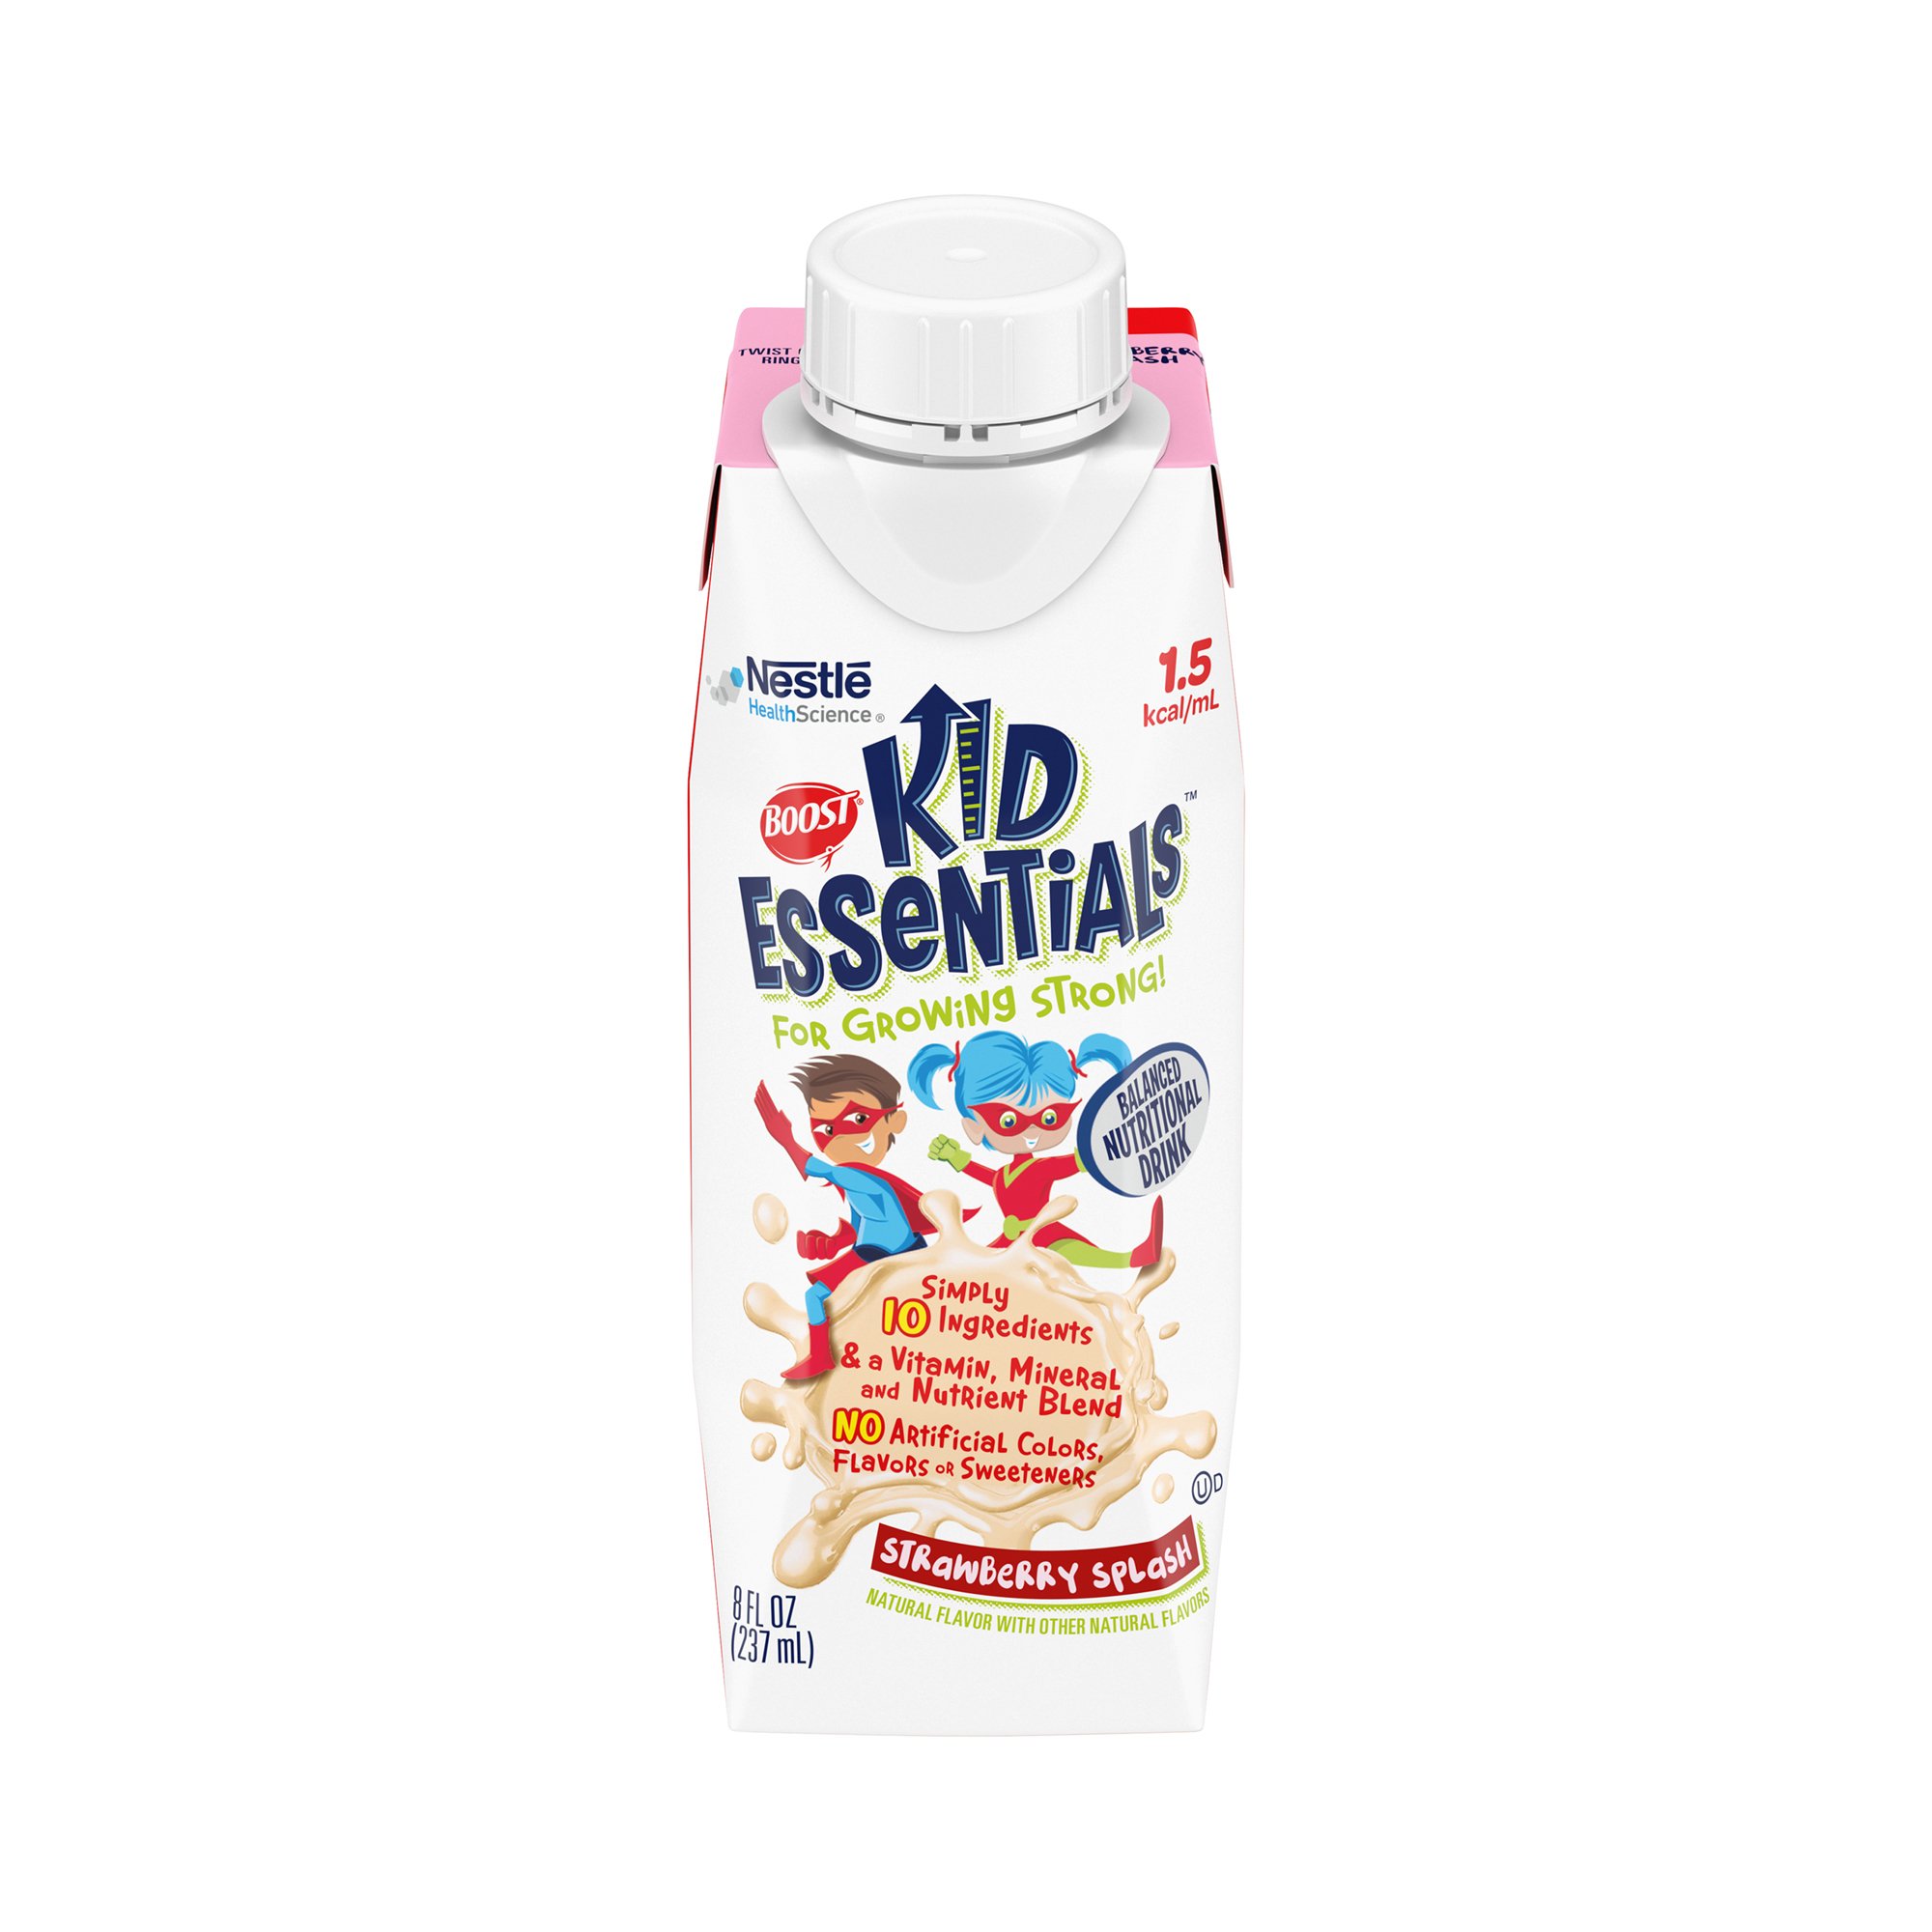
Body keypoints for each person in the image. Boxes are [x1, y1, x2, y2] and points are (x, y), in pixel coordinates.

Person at [753, 1054, 952, 1381]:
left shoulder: (858, 1176)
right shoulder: (860, 1180)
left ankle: (821, 1356)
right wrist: (834, 1242)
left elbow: (810, 1167)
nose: (840, 1138)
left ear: (895, 1121)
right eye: (827, 1130)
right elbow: (865, 1222)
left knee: (817, 1296)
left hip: (889, 1253)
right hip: (891, 1249)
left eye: (859, 1120)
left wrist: (785, 1137)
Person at [907, 1030, 1162, 1270]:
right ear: (974, 1128)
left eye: (1050, 1117)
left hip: (1043, 1233)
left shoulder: (1043, 1168)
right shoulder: (1003, 1175)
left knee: (1071, 1251)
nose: (1031, 1132)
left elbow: (1077, 1162)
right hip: (1013, 1239)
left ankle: (1134, 1257)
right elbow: (989, 1177)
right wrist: (957, 1159)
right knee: (979, 1267)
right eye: (1008, 1121)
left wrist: (1110, 1144)